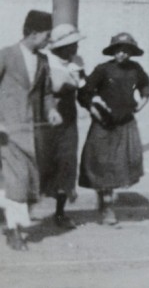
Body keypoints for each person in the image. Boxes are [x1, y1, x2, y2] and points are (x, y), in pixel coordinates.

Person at [78, 32, 149, 226]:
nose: (122, 54)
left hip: (125, 123)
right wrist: (94, 110)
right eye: (118, 50)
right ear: (112, 51)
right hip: (104, 124)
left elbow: (145, 87)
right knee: (102, 164)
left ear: (132, 52)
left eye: (126, 51)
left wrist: (140, 104)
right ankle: (106, 207)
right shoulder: (103, 69)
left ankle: (106, 203)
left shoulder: (136, 69)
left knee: (121, 164)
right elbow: (85, 93)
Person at [0, 9, 53, 251]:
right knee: (18, 179)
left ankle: (12, 221)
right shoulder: (6, 55)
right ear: (33, 33)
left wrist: (52, 110)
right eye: (46, 35)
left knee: (30, 181)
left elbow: (46, 92)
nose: (49, 40)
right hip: (8, 132)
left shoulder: (43, 60)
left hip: (34, 132)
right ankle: (14, 230)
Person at [37, 23, 86, 230]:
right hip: (44, 120)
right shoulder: (44, 61)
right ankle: (19, 212)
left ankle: (60, 213)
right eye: (71, 44)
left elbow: (83, 89)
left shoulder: (77, 62)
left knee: (66, 165)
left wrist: (94, 105)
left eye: (76, 44)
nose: (75, 48)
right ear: (60, 46)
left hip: (68, 120)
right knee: (39, 164)